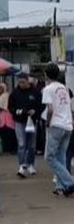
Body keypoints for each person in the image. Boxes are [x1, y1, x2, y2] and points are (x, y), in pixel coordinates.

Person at [42, 63, 74, 196]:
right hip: (67, 125)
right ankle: (62, 186)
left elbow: (50, 109)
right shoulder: (64, 88)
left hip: (56, 125)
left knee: (49, 157)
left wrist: (47, 123)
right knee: (61, 155)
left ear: (46, 75)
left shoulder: (48, 89)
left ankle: (69, 181)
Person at [8, 73, 42, 178]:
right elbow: (10, 107)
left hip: (32, 121)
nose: (21, 84)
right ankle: (22, 165)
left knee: (31, 145)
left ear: (28, 81)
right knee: (21, 144)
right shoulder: (14, 93)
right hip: (19, 121)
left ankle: (31, 164)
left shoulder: (35, 92)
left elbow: (41, 106)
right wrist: (18, 112)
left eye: (23, 82)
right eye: (19, 82)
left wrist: (35, 112)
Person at [0, 83, 16, 154]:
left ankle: (7, 149)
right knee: (11, 133)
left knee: (5, 134)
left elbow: (0, 107)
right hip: (9, 116)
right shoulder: (8, 95)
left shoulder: (3, 96)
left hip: (4, 117)